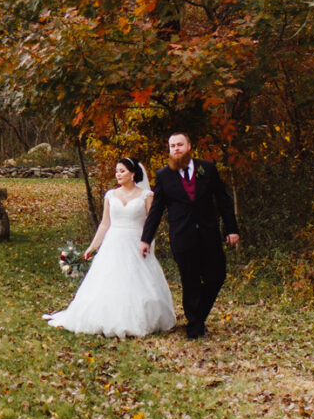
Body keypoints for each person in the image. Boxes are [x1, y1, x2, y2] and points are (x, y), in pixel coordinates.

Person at [44, 157, 176, 338]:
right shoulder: (110, 195)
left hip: (136, 243)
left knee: (137, 282)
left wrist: (147, 242)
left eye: (122, 171)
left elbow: (151, 222)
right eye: (116, 171)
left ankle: (141, 317)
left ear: (133, 174)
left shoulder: (146, 196)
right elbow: (105, 224)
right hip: (113, 243)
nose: (118, 174)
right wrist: (92, 247)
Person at [140, 131, 241, 340]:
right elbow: (157, 210)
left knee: (217, 276)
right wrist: (145, 238)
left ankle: (198, 316)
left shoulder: (208, 169)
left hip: (208, 234)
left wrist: (231, 228)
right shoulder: (163, 176)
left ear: (189, 146)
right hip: (182, 237)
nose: (176, 149)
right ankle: (194, 326)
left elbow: (223, 200)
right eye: (172, 146)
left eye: (179, 145)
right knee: (190, 281)